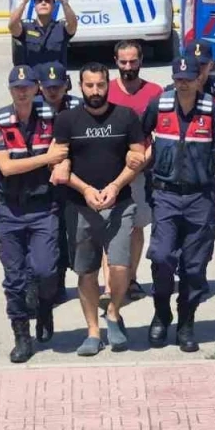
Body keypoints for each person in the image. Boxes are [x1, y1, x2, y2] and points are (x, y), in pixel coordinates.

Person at [142, 54, 215, 353]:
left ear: (199, 79)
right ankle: (161, 313)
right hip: (166, 195)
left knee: (194, 267)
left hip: (201, 197)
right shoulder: (159, 105)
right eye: (178, 79)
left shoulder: (213, 111)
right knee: (161, 257)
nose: (182, 84)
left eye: (188, 79)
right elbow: (139, 136)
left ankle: (186, 322)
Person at [50, 62, 146, 356]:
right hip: (81, 206)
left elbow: (138, 157)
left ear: (108, 84)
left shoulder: (126, 116)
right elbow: (58, 163)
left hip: (120, 202)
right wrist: (85, 190)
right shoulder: (66, 120)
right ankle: (93, 332)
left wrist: (115, 186)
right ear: (80, 86)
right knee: (87, 271)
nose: (95, 91)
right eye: (89, 85)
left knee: (120, 266)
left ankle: (113, 312)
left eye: (100, 85)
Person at [0, 64, 68, 363]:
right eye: (17, 87)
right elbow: (6, 167)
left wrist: (56, 161)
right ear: (10, 90)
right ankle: (21, 335)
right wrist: (46, 158)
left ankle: (44, 308)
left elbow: (62, 157)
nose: (22, 92)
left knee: (46, 271)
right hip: (10, 209)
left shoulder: (52, 117)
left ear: (37, 89)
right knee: (14, 279)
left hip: (43, 207)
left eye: (28, 87)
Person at [105, 39, 164, 301]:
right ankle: (110, 287)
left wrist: (142, 159)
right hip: (109, 173)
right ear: (115, 62)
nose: (128, 66)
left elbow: (160, 134)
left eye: (133, 61)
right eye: (123, 62)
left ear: (141, 61)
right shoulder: (105, 90)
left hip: (142, 172)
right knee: (109, 228)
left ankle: (131, 280)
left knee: (137, 227)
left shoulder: (155, 92)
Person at [35, 60, 82, 322]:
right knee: (48, 236)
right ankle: (48, 285)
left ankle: (61, 281)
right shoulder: (31, 108)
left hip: (73, 179)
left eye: (58, 86)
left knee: (69, 234)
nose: (53, 91)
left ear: (67, 85)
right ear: (40, 87)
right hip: (41, 182)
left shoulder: (78, 106)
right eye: (48, 86)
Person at [9, 0, 78, 68]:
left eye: (48, 0)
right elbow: (12, 26)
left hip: (57, 76)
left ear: (54, 6)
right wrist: (24, 2)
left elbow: (73, 24)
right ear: (34, 6)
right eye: (39, 0)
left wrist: (63, 1)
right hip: (33, 76)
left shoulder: (61, 27)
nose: (43, 3)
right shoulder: (26, 28)